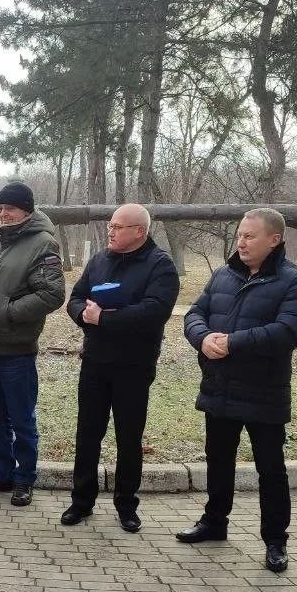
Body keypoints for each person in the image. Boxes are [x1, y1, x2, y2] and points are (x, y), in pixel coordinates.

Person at [179, 208, 297, 573]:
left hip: (264, 391)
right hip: (219, 387)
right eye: (240, 234)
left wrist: (231, 343)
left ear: (274, 240)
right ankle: (214, 522)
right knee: (218, 460)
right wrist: (203, 338)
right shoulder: (223, 275)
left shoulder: (295, 282)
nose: (241, 242)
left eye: (250, 236)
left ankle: (275, 540)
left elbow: (287, 332)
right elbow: (194, 314)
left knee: (270, 469)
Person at [61, 204, 181, 533]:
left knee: (128, 438)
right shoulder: (100, 260)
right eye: (110, 226)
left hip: (134, 366)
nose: (110, 231)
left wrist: (104, 318)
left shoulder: (160, 265)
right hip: (95, 361)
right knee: (88, 433)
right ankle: (81, 501)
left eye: (118, 227)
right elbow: (76, 297)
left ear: (139, 232)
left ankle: (126, 505)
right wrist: (83, 314)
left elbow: (154, 312)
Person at [0, 181, 65, 507]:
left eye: (9, 208)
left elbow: (52, 294)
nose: (3, 214)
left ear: (26, 209)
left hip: (16, 349)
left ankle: (24, 479)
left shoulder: (42, 243)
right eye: (0, 208)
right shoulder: (1, 239)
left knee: (21, 419)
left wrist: (7, 312)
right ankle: (1, 473)